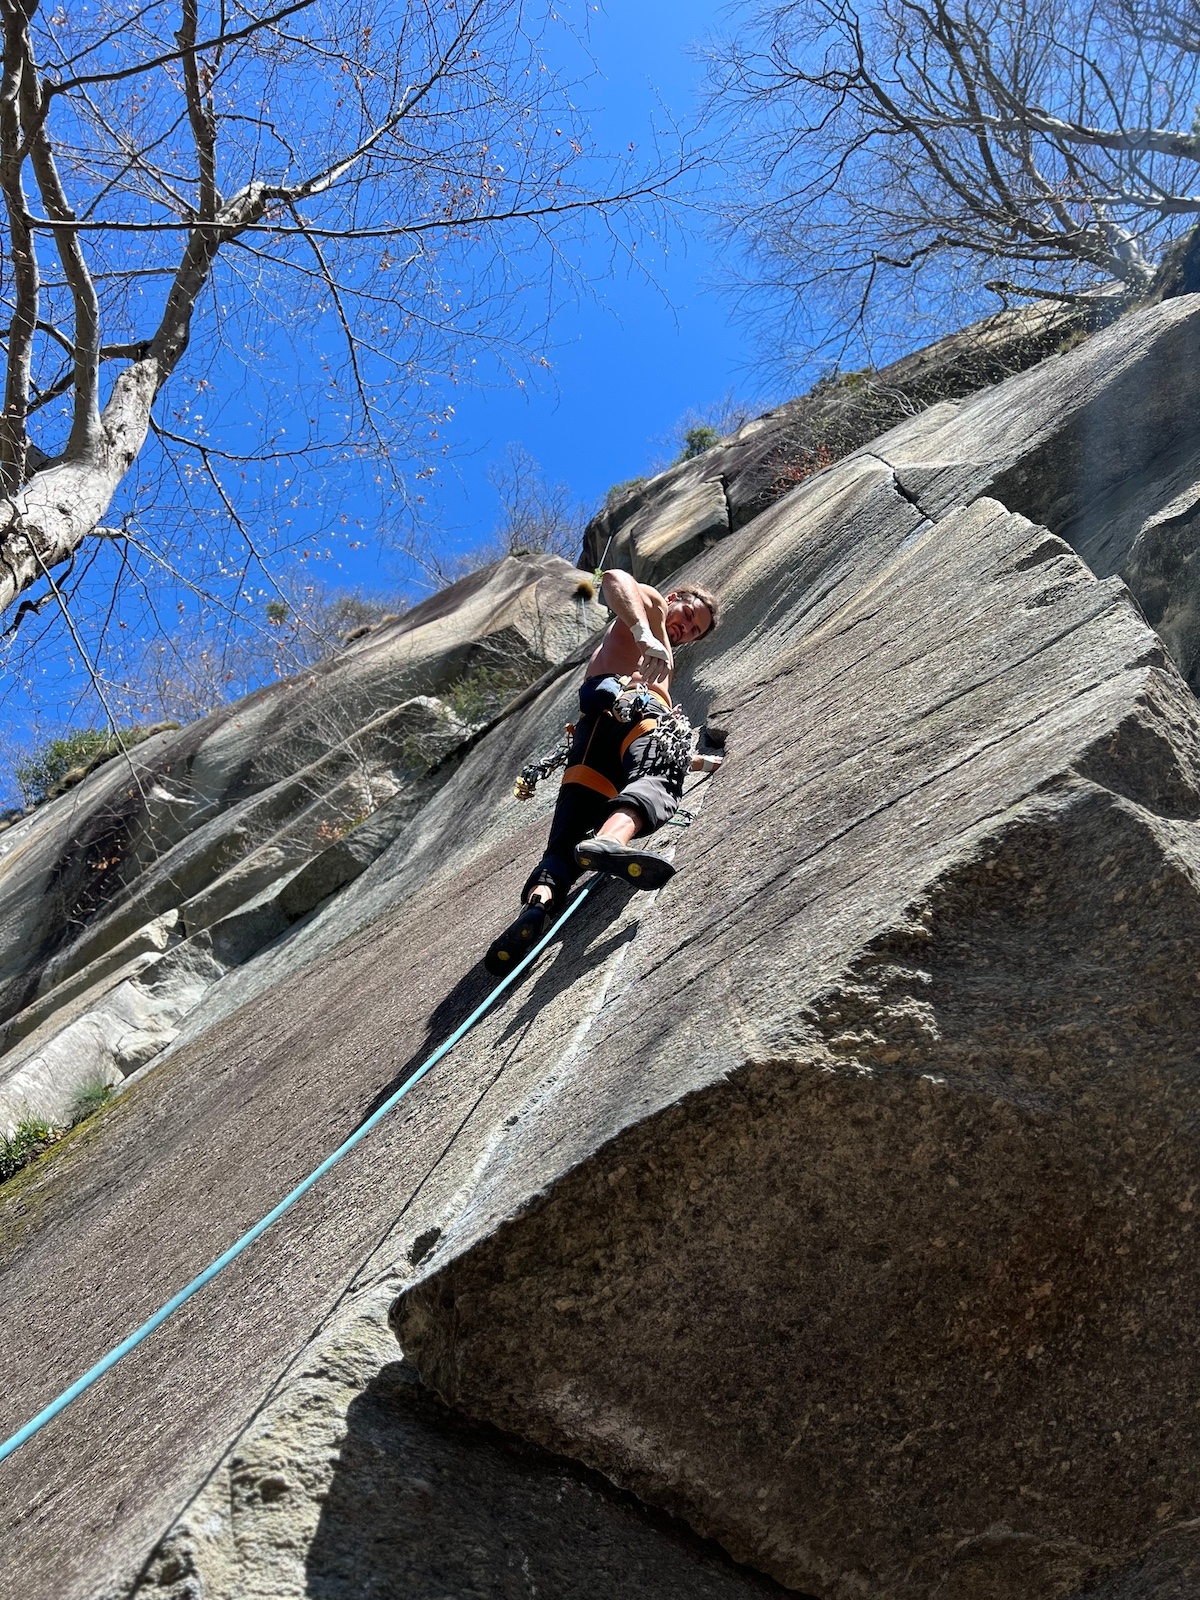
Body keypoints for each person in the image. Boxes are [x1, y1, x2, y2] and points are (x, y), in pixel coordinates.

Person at [483, 569, 721, 975]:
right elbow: (614, 579)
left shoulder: (652, 644)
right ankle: (610, 842)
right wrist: (644, 631)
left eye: (694, 631)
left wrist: (698, 761)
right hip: (636, 714)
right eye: (688, 614)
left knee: (564, 847)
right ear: (675, 595)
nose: (684, 628)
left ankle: (539, 903)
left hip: (593, 736)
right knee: (659, 779)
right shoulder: (651, 607)